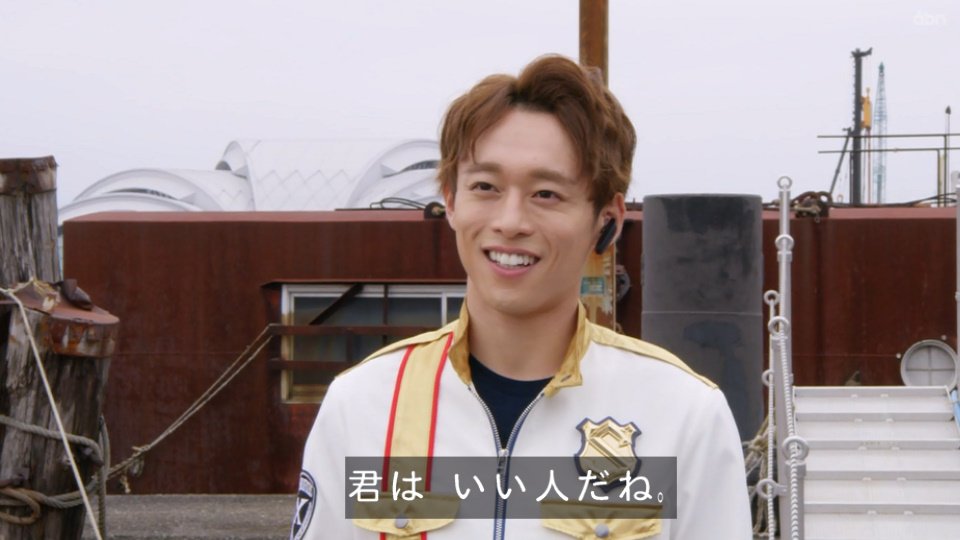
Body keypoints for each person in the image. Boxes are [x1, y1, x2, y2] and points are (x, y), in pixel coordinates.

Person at [292, 54, 751, 540]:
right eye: (485, 186)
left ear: (607, 220)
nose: (510, 221)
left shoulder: (684, 414)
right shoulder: (363, 404)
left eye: (546, 194)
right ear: (451, 200)